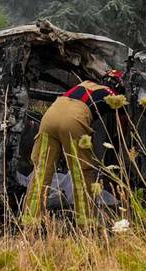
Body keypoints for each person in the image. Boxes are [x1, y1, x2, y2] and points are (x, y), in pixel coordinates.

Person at [22, 74, 118, 229]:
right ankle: (85, 224)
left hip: (50, 117)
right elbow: (121, 117)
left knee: (42, 171)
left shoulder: (83, 84)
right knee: (82, 173)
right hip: (73, 120)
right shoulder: (110, 93)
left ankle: (30, 222)